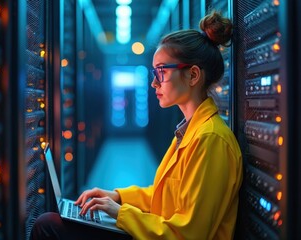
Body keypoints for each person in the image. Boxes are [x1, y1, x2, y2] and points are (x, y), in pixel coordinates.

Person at [30, 10, 243, 240]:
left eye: (161, 72)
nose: (153, 82)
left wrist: (121, 214)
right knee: (53, 222)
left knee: (48, 225)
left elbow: (189, 234)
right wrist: (117, 197)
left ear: (192, 76)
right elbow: (165, 198)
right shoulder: (191, 130)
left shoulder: (211, 140)